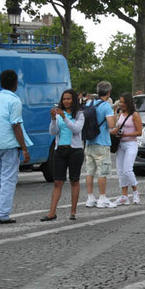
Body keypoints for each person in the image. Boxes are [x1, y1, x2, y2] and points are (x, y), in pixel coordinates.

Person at [0, 70, 32, 224]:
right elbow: (16, 125)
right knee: (9, 179)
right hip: (9, 144)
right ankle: (3, 214)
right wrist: (24, 148)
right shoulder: (14, 101)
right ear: (15, 83)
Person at [41, 89, 85, 221]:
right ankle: (52, 212)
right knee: (57, 181)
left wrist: (65, 117)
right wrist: (54, 119)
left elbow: (76, 129)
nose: (66, 101)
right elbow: (53, 132)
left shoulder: (79, 114)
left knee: (74, 180)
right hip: (60, 149)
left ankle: (73, 211)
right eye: (64, 99)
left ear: (73, 100)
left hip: (75, 150)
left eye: (68, 99)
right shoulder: (59, 114)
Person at [84, 81, 117, 208]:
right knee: (102, 172)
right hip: (102, 142)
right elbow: (111, 125)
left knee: (89, 172)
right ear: (108, 92)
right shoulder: (106, 106)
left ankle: (90, 197)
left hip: (89, 142)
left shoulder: (89, 103)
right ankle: (102, 198)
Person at [111, 93, 143, 205]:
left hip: (131, 144)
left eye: (123, 102)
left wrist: (125, 135)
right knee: (120, 171)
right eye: (120, 102)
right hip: (121, 145)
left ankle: (135, 192)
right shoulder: (120, 114)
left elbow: (139, 132)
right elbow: (118, 128)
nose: (121, 104)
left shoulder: (135, 115)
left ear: (128, 103)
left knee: (127, 170)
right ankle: (124, 196)